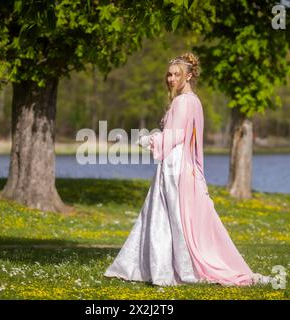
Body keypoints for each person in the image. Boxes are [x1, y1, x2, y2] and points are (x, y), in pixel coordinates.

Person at [104, 52, 271, 287]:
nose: (171, 79)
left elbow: (176, 136)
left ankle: (168, 267)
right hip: (180, 163)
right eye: (169, 74)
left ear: (189, 76)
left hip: (176, 164)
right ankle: (159, 264)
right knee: (168, 213)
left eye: (177, 75)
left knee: (170, 214)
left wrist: (149, 140)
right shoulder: (192, 101)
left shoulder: (184, 101)